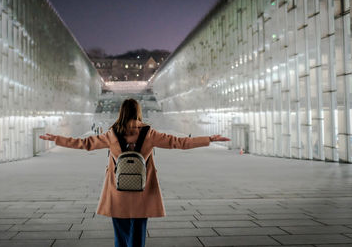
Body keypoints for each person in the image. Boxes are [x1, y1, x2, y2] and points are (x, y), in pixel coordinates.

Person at [40, 98, 230, 247]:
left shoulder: (112, 134)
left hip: (118, 191)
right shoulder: (149, 133)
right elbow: (179, 143)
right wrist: (209, 139)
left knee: (120, 236)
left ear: (121, 112)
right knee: (138, 234)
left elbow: (84, 144)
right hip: (142, 191)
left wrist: (56, 138)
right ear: (138, 112)